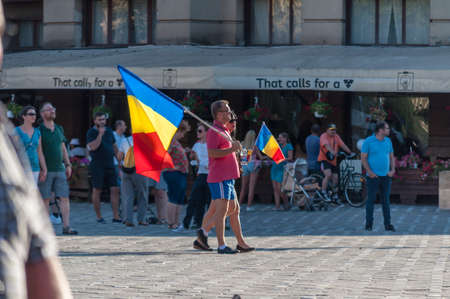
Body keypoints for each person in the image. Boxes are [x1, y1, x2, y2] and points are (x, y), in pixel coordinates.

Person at [194, 100, 254, 254]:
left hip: (228, 177)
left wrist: (236, 151)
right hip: (220, 177)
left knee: (234, 209)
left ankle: (206, 232)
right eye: (227, 111)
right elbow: (212, 153)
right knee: (222, 211)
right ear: (219, 114)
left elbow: (226, 151)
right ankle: (221, 245)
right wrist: (232, 149)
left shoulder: (224, 130)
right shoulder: (214, 131)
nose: (229, 113)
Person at [39, 102, 78, 235]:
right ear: (42, 113)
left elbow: (63, 148)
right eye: (49, 109)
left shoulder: (59, 128)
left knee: (64, 197)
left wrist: (68, 164)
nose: (52, 111)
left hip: (60, 169)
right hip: (46, 170)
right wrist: (43, 168)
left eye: (53, 109)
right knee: (45, 199)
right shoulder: (39, 130)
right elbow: (39, 151)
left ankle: (66, 226)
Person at [87, 111, 122, 223]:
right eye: (99, 120)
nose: (102, 122)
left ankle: (116, 216)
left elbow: (114, 147)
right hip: (97, 165)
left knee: (115, 189)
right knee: (97, 190)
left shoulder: (110, 132)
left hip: (110, 164)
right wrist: (100, 135)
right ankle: (99, 217)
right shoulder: (91, 132)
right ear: (95, 121)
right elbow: (93, 147)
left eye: (103, 119)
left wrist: (120, 163)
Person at [361, 121, 396, 232]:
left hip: (385, 176)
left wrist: (393, 170)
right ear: (380, 130)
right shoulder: (368, 141)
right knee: (370, 200)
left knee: (386, 201)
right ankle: (369, 224)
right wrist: (370, 172)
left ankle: (388, 224)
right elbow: (363, 158)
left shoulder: (388, 141)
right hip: (373, 177)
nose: (389, 130)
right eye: (387, 128)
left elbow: (391, 157)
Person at [163, 120, 190, 232]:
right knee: (173, 198)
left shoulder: (176, 142)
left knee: (178, 199)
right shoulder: (171, 142)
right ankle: (171, 223)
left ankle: (176, 222)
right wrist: (172, 167)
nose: (183, 135)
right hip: (173, 173)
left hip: (180, 173)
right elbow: (164, 156)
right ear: (177, 131)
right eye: (182, 133)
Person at [183, 123, 211, 230]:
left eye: (200, 131)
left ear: (206, 133)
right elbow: (193, 157)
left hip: (210, 175)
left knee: (210, 200)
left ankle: (212, 222)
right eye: (197, 131)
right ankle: (191, 221)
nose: (198, 133)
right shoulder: (197, 145)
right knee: (195, 199)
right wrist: (191, 155)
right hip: (201, 174)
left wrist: (201, 162)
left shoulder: (211, 145)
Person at [120, 135, 150, 227]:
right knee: (142, 195)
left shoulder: (125, 140)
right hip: (140, 169)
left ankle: (128, 219)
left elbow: (119, 156)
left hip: (126, 169)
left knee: (128, 196)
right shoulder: (146, 140)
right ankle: (141, 219)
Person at [317, 124, 353, 199]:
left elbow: (343, 145)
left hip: (333, 160)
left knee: (336, 178)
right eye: (331, 129)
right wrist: (333, 152)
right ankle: (323, 192)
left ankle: (334, 194)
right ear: (327, 130)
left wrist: (350, 152)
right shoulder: (323, 136)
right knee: (328, 174)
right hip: (324, 159)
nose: (333, 131)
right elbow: (326, 145)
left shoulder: (336, 136)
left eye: (334, 129)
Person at [14, 106, 47, 183]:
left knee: (32, 193)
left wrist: (44, 168)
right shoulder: (16, 131)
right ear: (24, 116)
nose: (34, 116)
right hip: (21, 168)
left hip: (35, 169)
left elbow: (40, 151)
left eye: (35, 114)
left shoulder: (37, 132)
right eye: (31, 114)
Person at [239, 130, 264, 211]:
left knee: (243, 187)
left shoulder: (242, 144)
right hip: (252, 164)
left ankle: (238, 206)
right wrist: (266, 158)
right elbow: (260, 157)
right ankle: (249, 206)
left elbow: (242, 157)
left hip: (244, 165)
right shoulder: (255, 145)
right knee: (251, 187)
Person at [270, 132, 294, 211]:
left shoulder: (289, 146)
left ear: (285, 139)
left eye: (280, 138)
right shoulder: (278, 146)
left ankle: (286, 203)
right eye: (278, 137)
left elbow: (290, 158)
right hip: (274, 168)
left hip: (282, 168)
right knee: (275, 188)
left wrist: (282, 159)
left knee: (280, 188)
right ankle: (277, 206)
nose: (279, 139)